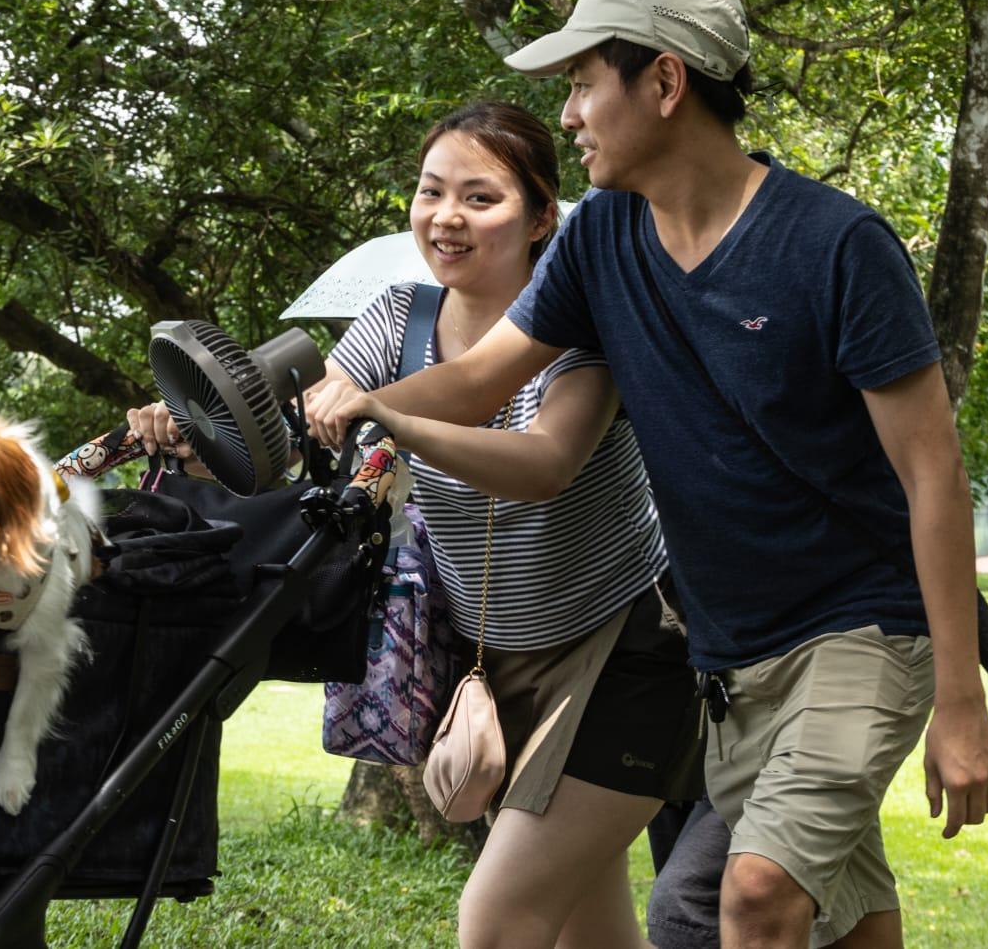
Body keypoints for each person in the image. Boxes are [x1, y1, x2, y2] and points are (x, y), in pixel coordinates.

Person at [323, 0, 988, 948]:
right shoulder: (602, 240)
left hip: (862, 630)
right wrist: (354, 404)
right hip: (731, 655)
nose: (567, 117)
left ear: (665, 81)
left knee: (755, 894)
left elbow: (932, 473)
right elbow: (484, 379)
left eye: (582, 84)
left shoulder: (836, 246)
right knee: (850, 917)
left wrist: (959, 701)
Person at [132, 101, 701, 949]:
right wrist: (191, 433)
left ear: (543, 215)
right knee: (591, 930)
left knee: (496, 919)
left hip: (624, 653)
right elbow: (290, 441)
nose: (446, 217)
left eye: (481, 198)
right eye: (432, 192)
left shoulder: (583, 328)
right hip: (489, 656)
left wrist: (394, 419)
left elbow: (547, 464)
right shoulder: (398, 317)